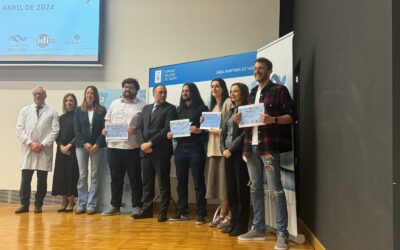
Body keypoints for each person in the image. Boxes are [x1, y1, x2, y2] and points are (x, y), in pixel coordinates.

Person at [235, 58, 296, 250]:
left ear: (269, 71)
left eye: (261, 68)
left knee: (276, 189)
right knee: (255, 189)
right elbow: (247, 119)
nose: (257, 71)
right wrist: (239, 118)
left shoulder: (279, 90)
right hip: (250, 148)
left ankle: (282, 235)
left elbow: (293, 117)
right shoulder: (252, 93)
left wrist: (273, 119)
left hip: (268, 148)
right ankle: (258, 228)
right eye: (255, 68)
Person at [101, 78, 146, 217]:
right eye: (125, 87)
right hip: (114, 147)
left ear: (136, 90)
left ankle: (137, 206)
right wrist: (106, 129)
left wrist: (137, 129)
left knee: (135, 178)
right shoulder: (114, 103)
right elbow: (107, 120)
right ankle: (115, 206)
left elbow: (145, 126)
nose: (127, 89)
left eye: (131, 87)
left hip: (132, 147)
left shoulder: (142, 105)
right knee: (116, 178)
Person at [135, 84, 177, 222]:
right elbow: (139, 129)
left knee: (163, 183)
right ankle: (146, 211)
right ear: (154, 94)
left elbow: (166, 129)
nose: (163, 95)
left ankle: (163, 212)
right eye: (160, 92)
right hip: (145, 152)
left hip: (161, 152)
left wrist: (150, 143)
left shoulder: (170, 108)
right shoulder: (146, 108)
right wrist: (142, 144)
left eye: (165, 92)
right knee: (147, 183)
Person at [167, 83, 208, 225]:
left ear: (193, 92)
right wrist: (171, 134)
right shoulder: (178, 110)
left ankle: (201, 214)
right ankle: (182, 211)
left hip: (196, 147)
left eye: (187, 91)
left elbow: (208, 129)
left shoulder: (203, 109)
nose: (184, 93)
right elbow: (173, 128)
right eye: (183, 91)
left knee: (198, 182)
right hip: (180, 148)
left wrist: (200, 130)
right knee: (181, 182)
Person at [15, 86, 59, 214]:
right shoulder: (25, 110)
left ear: (45, 96)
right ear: (33, 95)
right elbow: (19, 129)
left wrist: (42, 144)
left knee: (42, 180)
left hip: (43, 150)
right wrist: (30, 143)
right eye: (35, 94)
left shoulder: (52, 111)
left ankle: (38, 205)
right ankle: (24, 204)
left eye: (41, 94)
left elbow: (55, 130)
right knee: (25, 179)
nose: (38, 96)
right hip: (28, 149)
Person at [220, 83, 250, 236]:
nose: (232, 94)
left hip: (239, 154)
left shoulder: (247, 110)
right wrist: (223, 149)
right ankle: (233, 223)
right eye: (231, 91)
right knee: (231, 190)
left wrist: (230, 149)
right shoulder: (230, 110)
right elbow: (223, 133)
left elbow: (245, 133)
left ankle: (242, 226)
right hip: (227, 154)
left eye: (236, 91)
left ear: (243, 93)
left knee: (241, 191)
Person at [201, 78, 231, 227]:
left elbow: (232, 128)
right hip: (213, 150)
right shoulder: (212, 107)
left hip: (224, 150)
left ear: (223, 88)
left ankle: (225, 215)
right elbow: (210, 129)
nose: (214, 89)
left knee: (225, 185)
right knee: (219, 185)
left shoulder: (228, 103)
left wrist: (217, 130)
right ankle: (222, 214)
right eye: (212, 86)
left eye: (217, 86)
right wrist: (204, 124)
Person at [74, 85, 107, 215]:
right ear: (85, 95)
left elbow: (104, 130)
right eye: (87, 93)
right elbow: (76, 130)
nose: (89, 95)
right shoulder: (79, 110)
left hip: (97, 147)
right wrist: (84, 143)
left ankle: (91, 205)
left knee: (94, 175)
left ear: (96, 95)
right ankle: (81, 204)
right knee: (82, 175)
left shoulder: (101, 110)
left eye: (92, 93)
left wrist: (97, 144)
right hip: (82, 147)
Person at [52, 93, 79, 213]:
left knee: (72, 175)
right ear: (64, 103)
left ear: (75, 103)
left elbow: (78, 134)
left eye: (71, 100)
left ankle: (71, 201)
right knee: (61, 175)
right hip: (61, 151)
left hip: (73, 151)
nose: (69, 102)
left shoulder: (78, 117)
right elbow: (56, 135)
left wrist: (69, 146)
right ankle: (64, 201)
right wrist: (61, 146)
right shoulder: (60, 118)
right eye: (67, 101)